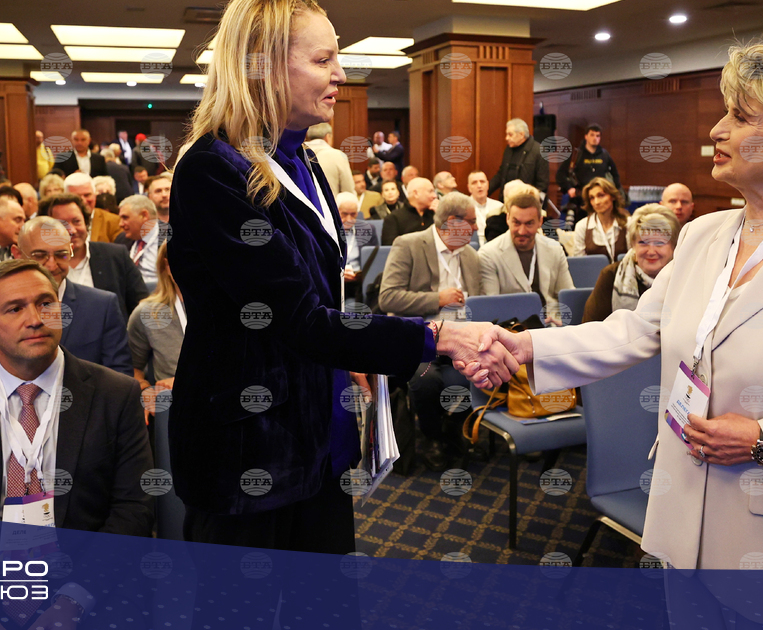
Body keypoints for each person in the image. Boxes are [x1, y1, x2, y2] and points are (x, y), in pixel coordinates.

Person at [462, 44, 763, 589]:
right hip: (681, 514)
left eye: (740, 116)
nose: (717, 130)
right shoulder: (701, 235)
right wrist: (526, 347)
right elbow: (637, 330)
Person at [167, 0, 514, 554]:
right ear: (262, 66)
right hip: (250, 452)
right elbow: (299, 319)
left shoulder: (303, 161)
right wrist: (440, 336)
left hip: (316, 432)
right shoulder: (213, 168)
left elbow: (320, 305)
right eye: (323, 59)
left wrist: (352, 354)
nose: (341, 75)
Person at [0, 258, 154, 536]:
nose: (36, 320)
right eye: (15, 309)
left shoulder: (116, 396)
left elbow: (134, 509)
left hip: (86, 558)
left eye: (46, 304)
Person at [378, 193, 481, 470]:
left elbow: (481, 299)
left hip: (462, 336)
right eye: (472, 222)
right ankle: (433, 436)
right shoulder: (409, 244)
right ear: (453, 221)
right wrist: (437, 299)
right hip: (420, 337)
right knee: (426, 380)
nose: (476, 228)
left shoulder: (471, 256)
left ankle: (456, 427)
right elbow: (388, 298)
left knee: (486, 367)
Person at [0, 217, 132, 378]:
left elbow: (119, 378)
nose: (51, 265)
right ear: (17, 254)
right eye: (40, 256)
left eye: (61, 254)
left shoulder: (102, 306)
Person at [39, 193, 149, 316]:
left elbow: (142, 306)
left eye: (76, 221)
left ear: (86, 223)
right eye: (62, 225)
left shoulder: (115, 256)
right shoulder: (41, 266)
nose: (72, 230)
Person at [582, 204, 681, 323]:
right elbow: (591, 326)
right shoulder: (611, 275)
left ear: (674, 246)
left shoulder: (683, 277)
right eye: (643, 243)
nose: (651, 251)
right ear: (633, 244)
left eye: (659, 243)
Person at [478, 191, 574, 313]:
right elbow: (492, 307)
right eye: (516, 223)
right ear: (508, 219)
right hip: (511, 322)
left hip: (551, 319)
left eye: (529, 223)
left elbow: (567, 296)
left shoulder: (555, 249)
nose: (522, 231)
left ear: (540, 222)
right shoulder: (488, 254)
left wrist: (562, 319)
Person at [129, 243, 182, 392]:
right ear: (167, 266)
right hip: (173, 402)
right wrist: (146, 390)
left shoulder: (229, 310)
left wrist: (184, 381)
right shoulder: (147, 314)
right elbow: (131, 369)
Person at [555, 123, 622, 223]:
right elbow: (560, 175)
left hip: (599, 198)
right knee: (581, 226)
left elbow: (615, 175)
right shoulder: (576, 154)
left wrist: (613, 193)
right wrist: (569, 188)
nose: (595, 138)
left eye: (597, 136)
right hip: (580, 199)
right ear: (586, 136)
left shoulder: (604, 155)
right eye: (592, 135)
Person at [115, 194, 169, 284]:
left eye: (125, 218)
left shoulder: (171, 237)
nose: (121, 224)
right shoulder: (122, 239)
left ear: (144, 216)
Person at [571, 176, 629, 259]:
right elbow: (580, 263)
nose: (596, 202)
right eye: (592, 198)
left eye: (601, 195)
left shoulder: (628, 223)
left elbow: (635, 258)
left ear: (612, 196)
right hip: (591, 268)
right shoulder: (582, 226)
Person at [488, 118, 548, 198]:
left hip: (526, 201)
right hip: (507, 199)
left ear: (521, 134)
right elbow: (502, 174)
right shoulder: (509, 149)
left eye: (510, 134)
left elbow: (542, 184)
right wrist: (486, 190)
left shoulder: (539, 151)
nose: (506, 138)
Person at [336, 191, 377, 302]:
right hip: (335, 281)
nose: (349, 219)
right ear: (335, 211)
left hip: (360, 282)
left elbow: (374, 261)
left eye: (353, 214)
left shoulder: (368, 230)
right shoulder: (327, 231)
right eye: (344, 214)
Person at [64, 172, 122, 243]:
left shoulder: (113, 222)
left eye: (87, 195)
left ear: (95, 195)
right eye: (77, 197)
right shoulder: (57, 223)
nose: (83, 201)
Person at [305, 122, 356, 196]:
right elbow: (348, 191)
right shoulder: (338, 155)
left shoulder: (298, 154)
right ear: (327, 137)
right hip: (330, 202)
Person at [381, 177, 436, 245]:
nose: (434, 196)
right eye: (430, 191)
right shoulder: (394, 218)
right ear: (416, 193)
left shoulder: (436, 214)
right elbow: (390, 248)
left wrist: (441, 216)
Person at [467, 170, 504, 246]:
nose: (479, 185)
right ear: (469, 188)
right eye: (474, 183)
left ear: (487, 185)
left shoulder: (499, 206)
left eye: (482, 182)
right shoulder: (463, 207)